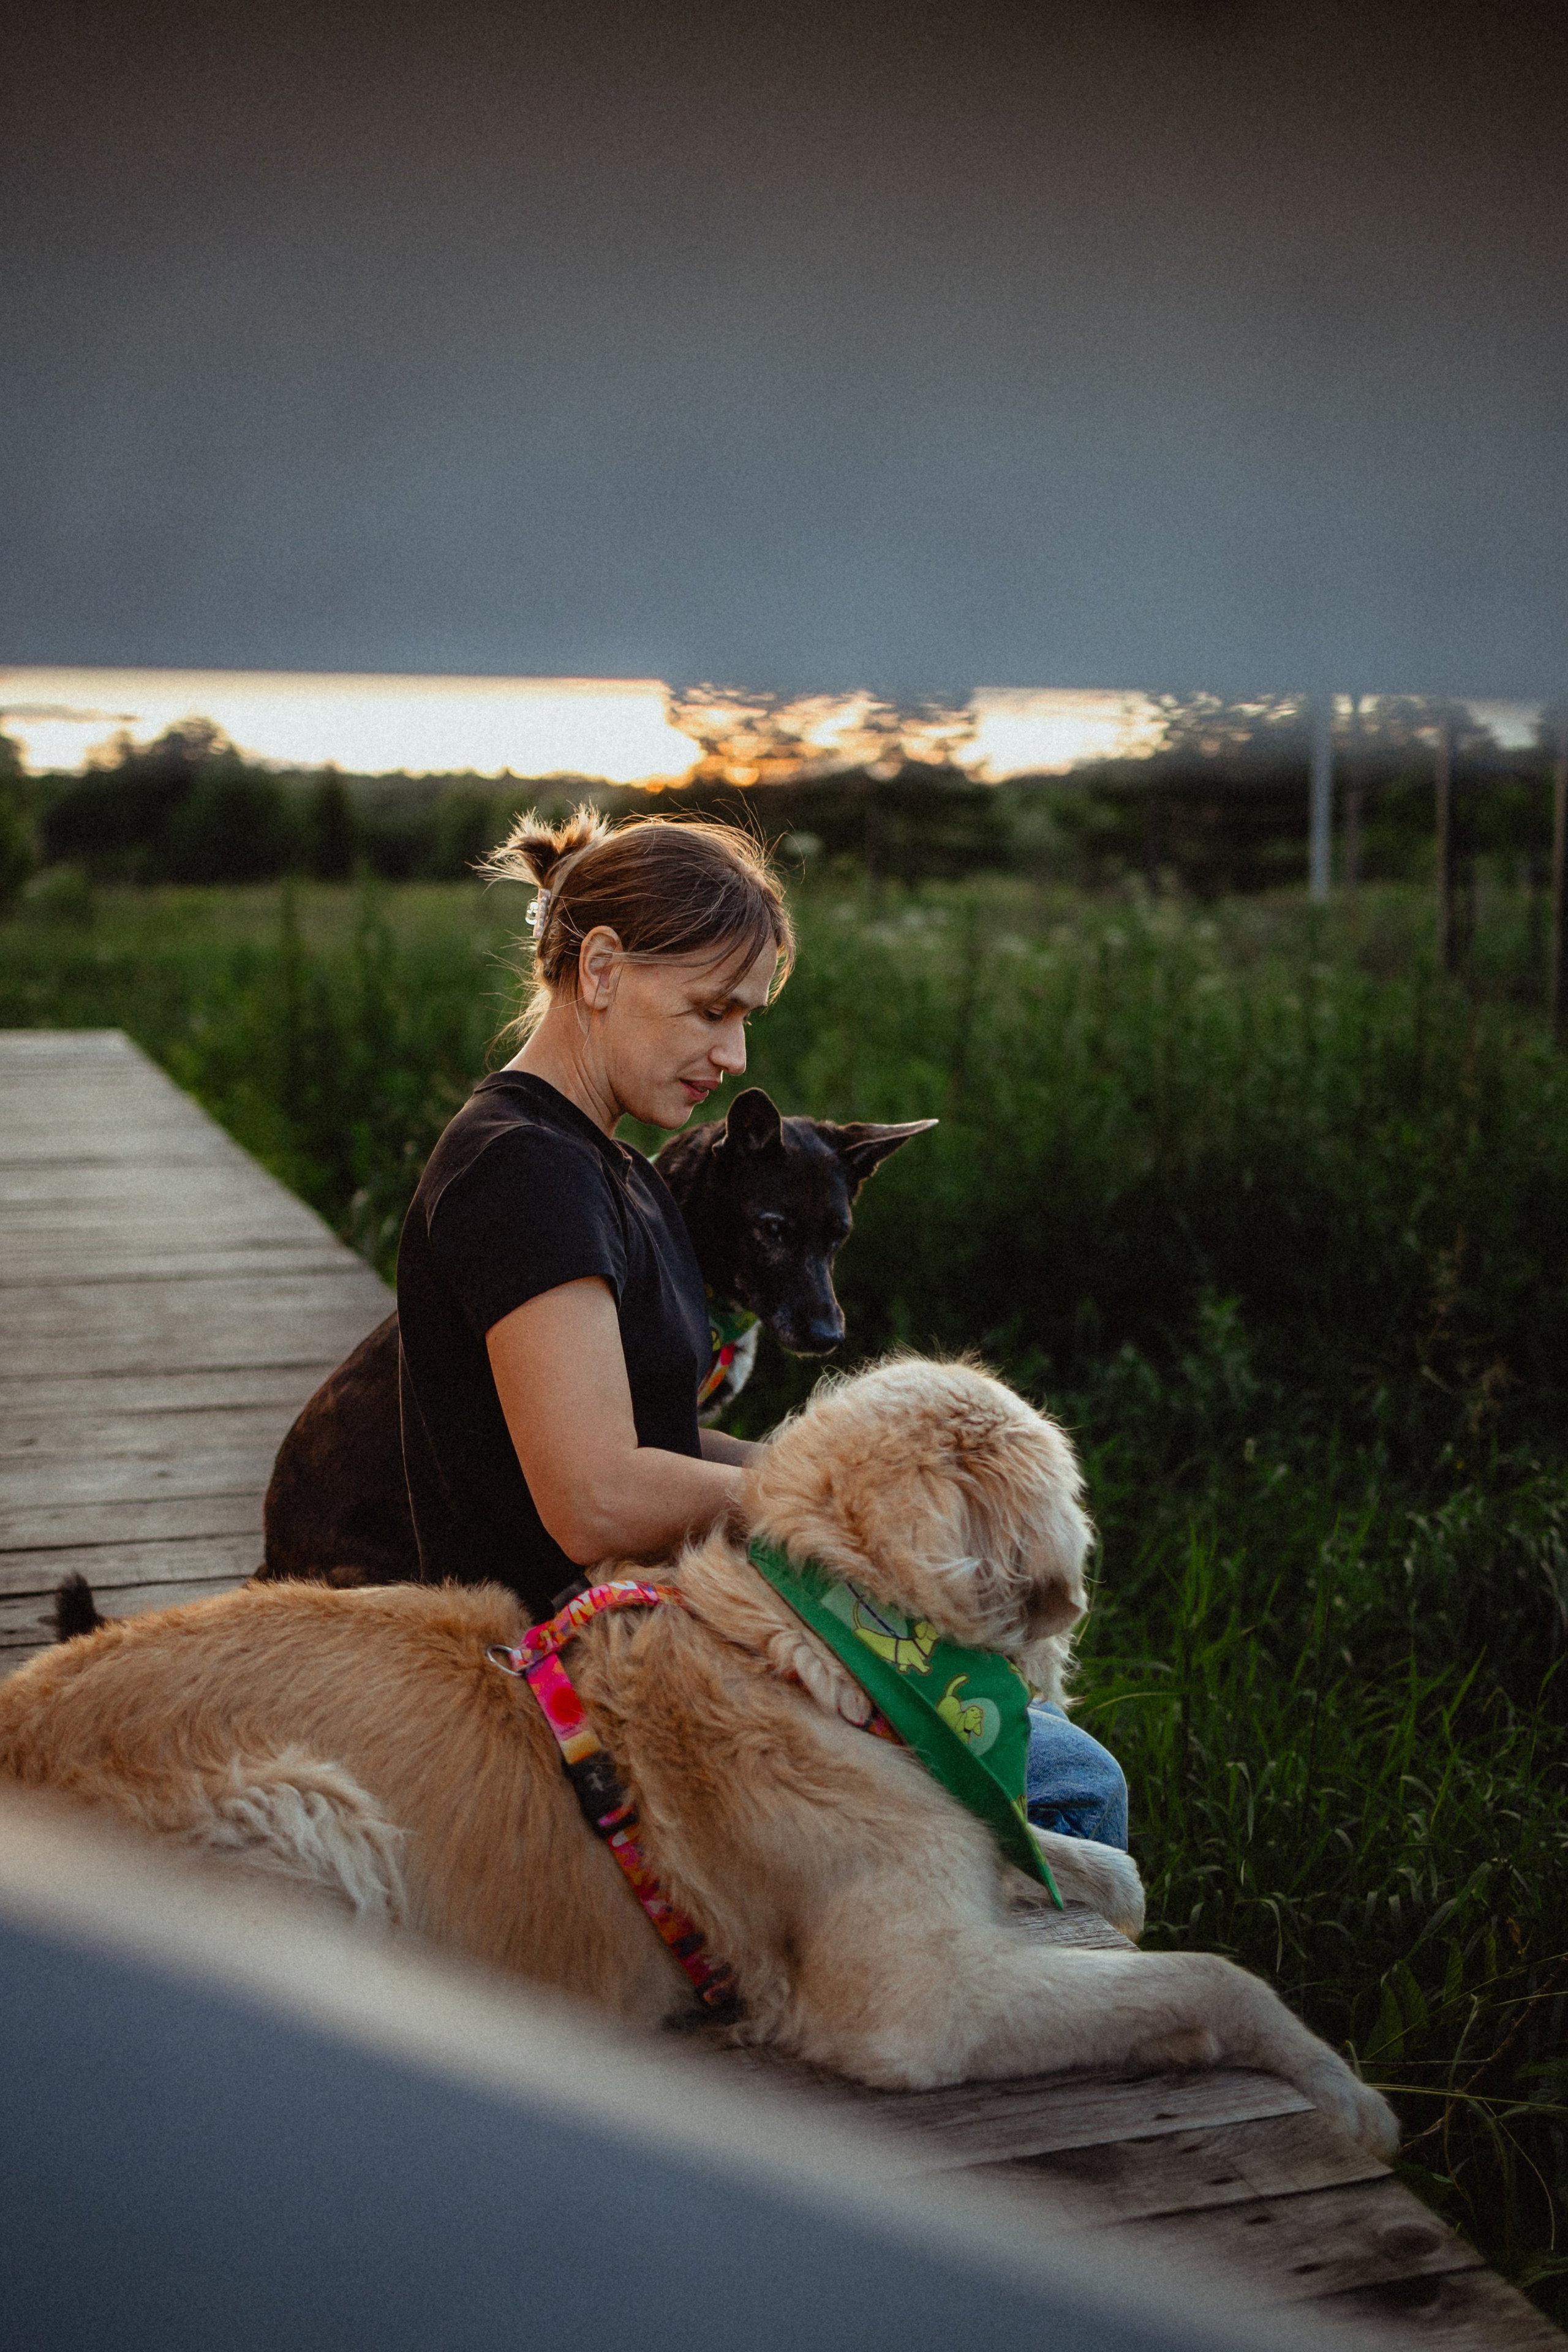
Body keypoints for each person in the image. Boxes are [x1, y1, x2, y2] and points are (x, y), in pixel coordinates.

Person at [396, 804, 1128, 1855]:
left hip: (645, 1622)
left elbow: (657, 1436)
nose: (734, 1056)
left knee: (1017, 1708)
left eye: (746, 1019)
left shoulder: (612, 1167)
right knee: (1068, 1782)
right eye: (709, 1011)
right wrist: (858, 1526)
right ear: (600, 968)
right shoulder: (521, 1169)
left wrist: (840, 1475)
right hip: (566, 1675)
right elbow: (595, 1497)